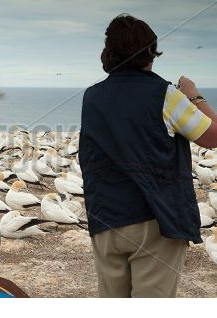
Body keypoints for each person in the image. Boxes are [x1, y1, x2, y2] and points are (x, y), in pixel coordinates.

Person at [79, 14, 217, 298]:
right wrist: (194, 96)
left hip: (105, 218)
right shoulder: (164, 94)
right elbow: (212, 136)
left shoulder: (91, 97)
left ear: (109, 53)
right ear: (151, 53)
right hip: (155, 221)